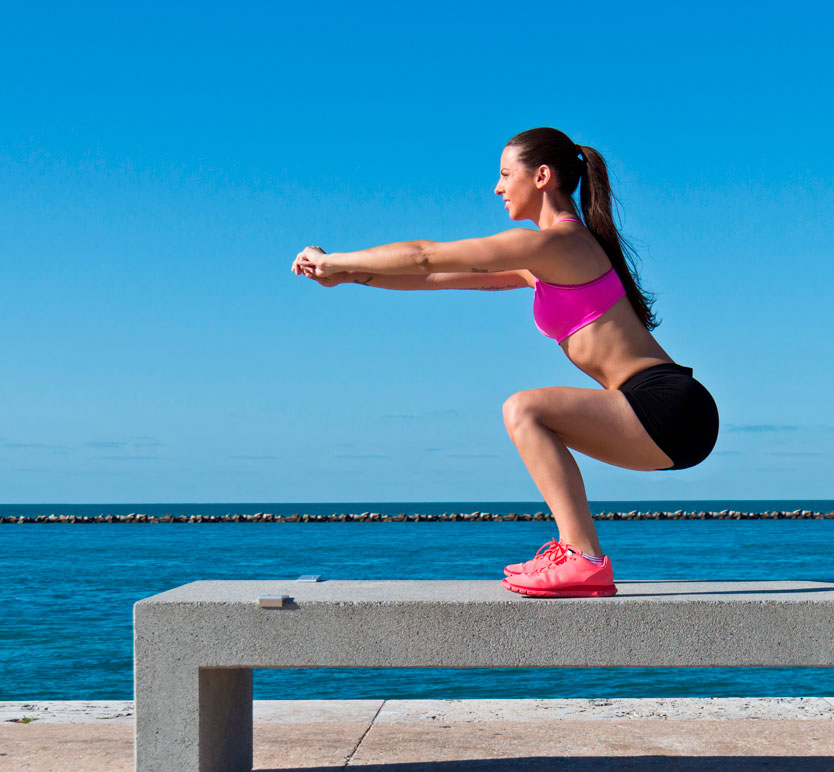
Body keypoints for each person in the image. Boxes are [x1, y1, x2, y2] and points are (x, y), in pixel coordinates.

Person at [292, 126, 718, 598]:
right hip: (667, 416)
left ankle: (583, 556)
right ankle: (579, 555)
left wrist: (333, 260)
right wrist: (347, 275)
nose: (497, 187)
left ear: (540, 176)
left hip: (668, 406)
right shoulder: (544, 259)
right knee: (527, 411)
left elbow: (423, 254)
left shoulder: (558, 245)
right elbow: (433, 274)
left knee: (524, 409)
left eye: (504, 174)